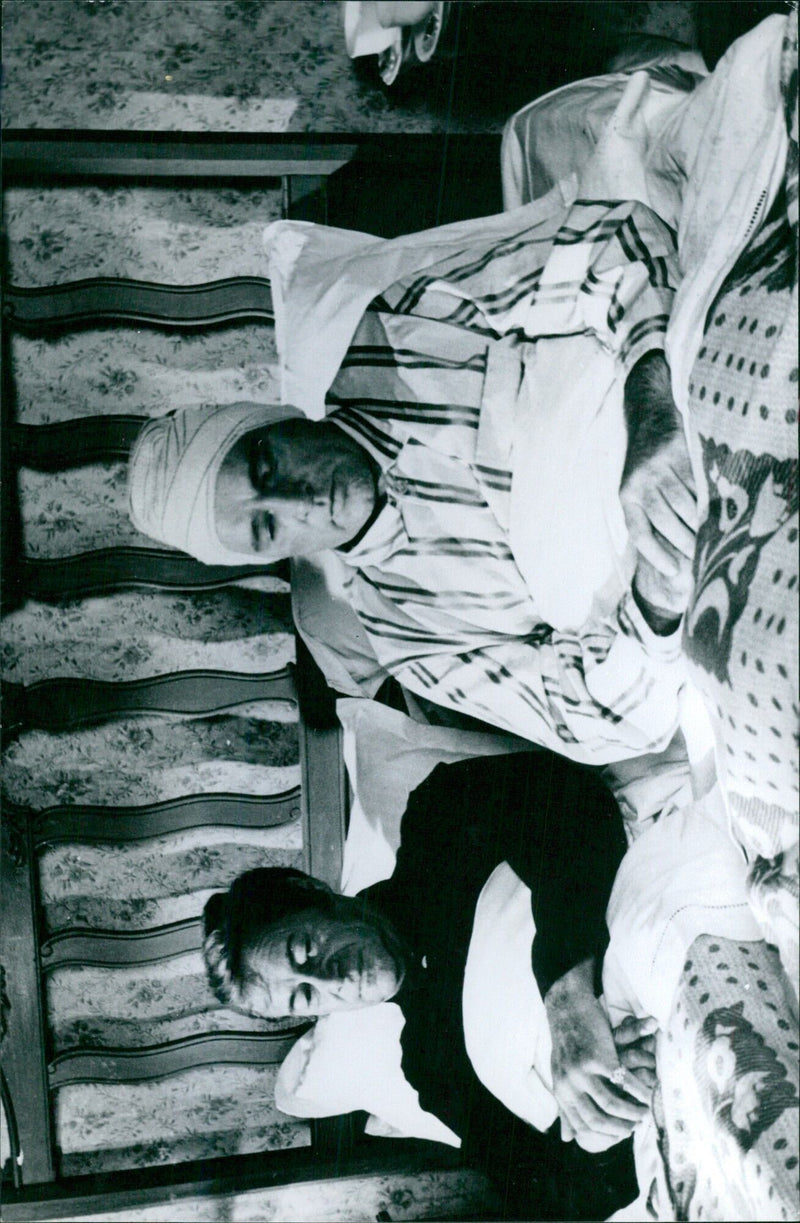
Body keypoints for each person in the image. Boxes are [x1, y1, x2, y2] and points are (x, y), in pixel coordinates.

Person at [129, 188, 696, 771]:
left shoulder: (396, 326)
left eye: (265, 468)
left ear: (278, 420)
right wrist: (661, 586)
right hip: (685, 583)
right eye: (266, 525)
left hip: (687, 403)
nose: (295, 501)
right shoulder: (408, 635)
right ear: (275, 553)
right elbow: (596, 721)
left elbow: (613, 238)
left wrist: (657, 423)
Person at [203, 749, 656, 1217]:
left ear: (315, 895)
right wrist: (601, 1124)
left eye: (305, 951)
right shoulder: (428, 1063)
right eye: (304, 995)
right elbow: (552, 1195)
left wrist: (569, 1003)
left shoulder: (437, 819)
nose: (327, 979)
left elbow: (571, 800)